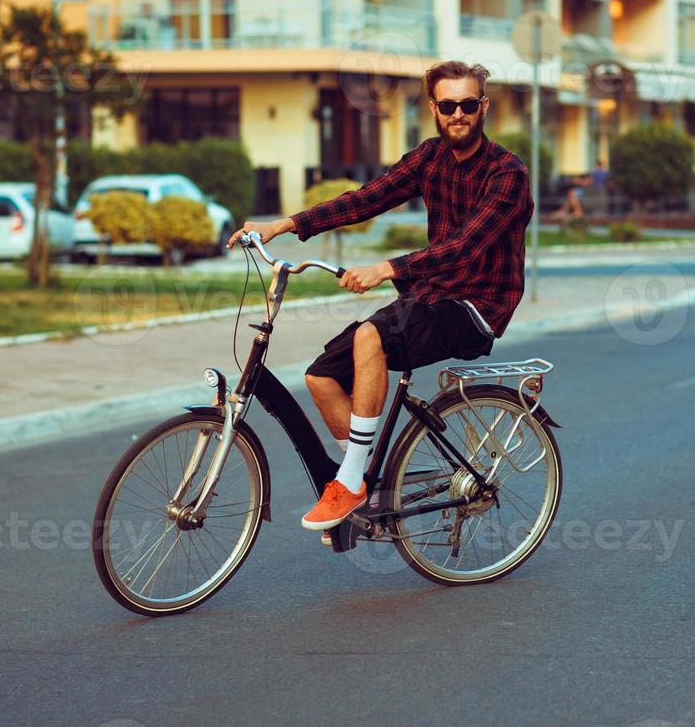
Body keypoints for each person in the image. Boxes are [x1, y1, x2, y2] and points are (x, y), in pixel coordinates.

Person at [228, 61, 535, 531]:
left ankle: (350, 482)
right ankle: (364, 475)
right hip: (431, 295)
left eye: (468, 105)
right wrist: (283, 225)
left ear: (483, 107)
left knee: (370, 336)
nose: (458, 114)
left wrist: (386, 269)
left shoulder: (507, 173)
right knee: (320, 377)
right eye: (448, 105)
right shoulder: (430, 157)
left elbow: (466, 246)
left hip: (477, 307)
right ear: (434, 108)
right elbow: (367, 197)